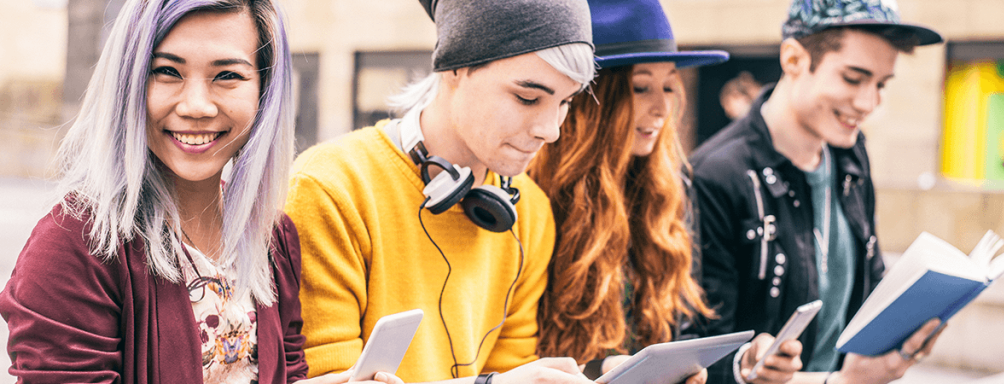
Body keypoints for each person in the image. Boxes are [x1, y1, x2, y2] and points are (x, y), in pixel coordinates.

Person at [0, 1, 401, 383]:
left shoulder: (272, 236)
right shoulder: (75, 245)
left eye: (227, 75)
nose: (196, 106)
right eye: (168, 72)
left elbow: (283, 372)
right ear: (128, 82)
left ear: (265, 93)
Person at [284, 0, 596, 382]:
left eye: (565, 102)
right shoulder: (329, 189)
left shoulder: (529, 210)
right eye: (527, 98)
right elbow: (331, 376)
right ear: (456, 66)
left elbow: (512, 368)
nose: (551, 130)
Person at [528, 1, 801, 383]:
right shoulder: (534, 197)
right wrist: (599, 370)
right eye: (641, 87)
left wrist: (741, 363)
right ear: (591, 96)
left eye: (669, 86)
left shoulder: (673, 190)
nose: (661, 108)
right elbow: (515, 353)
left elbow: (687, 332)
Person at [690, 1, 946, 383]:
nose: (868, 103)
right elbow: (698, 352)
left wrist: (903, 330)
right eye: (853, 78)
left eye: (880, 84)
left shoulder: (851, 155)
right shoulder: (715, 174)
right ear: (793, 59)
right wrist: (748, 365)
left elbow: (869, 278)